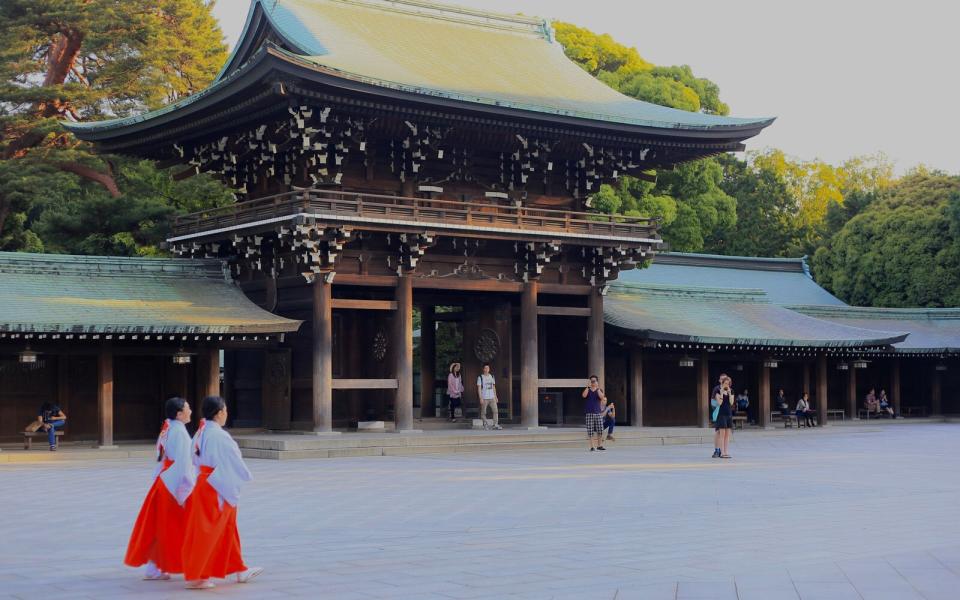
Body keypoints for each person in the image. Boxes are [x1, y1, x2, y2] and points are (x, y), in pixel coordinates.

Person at [181, 396, 262, 589]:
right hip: (216, 486)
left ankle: (239, 569)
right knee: (209, 531)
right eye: (225, 410)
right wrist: (245, 475)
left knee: (227, 527)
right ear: (219, 413)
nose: (226, 413)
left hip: (205, 482)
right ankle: (198, 575)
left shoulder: (200, 432)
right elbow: (233, 459)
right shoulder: (218, 435)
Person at [124, 397, 196, 580]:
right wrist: (186, 488)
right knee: (171, 526)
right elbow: (183, 463)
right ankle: (161, 566)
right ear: (179, 414)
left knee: (161, 525)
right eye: (188, 408)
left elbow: (161, 457)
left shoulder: (169, 427)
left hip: (164, 480)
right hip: (173, 483)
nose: (191, 411)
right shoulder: (179, 432)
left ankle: (156, 567)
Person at [712, 375, 734, 458]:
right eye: (725, 383)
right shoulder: (717, 391)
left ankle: (726, 451)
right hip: (721, 414)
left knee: (727, 435)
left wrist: (729, 393)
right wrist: (721, 393)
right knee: (722, 434)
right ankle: (722, 452)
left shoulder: (731, 391)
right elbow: (720, 403)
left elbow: (731, 403)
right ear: (722, 383)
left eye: (728, 384)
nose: (726, 385)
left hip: (729, 414)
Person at [583, 375, 606, 451]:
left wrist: (597, 387)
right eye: (591, 381)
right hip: (589, 412)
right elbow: (584, 395)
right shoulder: (588, 390)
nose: (593, 382)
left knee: (600, 430)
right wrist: (588, 387)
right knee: (590, 430)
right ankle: (592, 446)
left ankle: (599, 445)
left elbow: (602, 397)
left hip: (597, 412)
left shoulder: (599, 390)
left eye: (594, 381)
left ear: (597, 381)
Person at [476, 363, 501, 430]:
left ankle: (495, 424)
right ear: (483, 369)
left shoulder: (492, 376)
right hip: (484, 397)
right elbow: (479, 388)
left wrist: (496, 396)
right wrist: (480, 398)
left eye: (488, 368)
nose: (487, 369)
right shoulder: (480, 377)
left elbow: (493, 387)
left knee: (495, 411)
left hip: (492, 397)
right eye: (485, 368)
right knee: (484, 412)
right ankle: (485, 424)